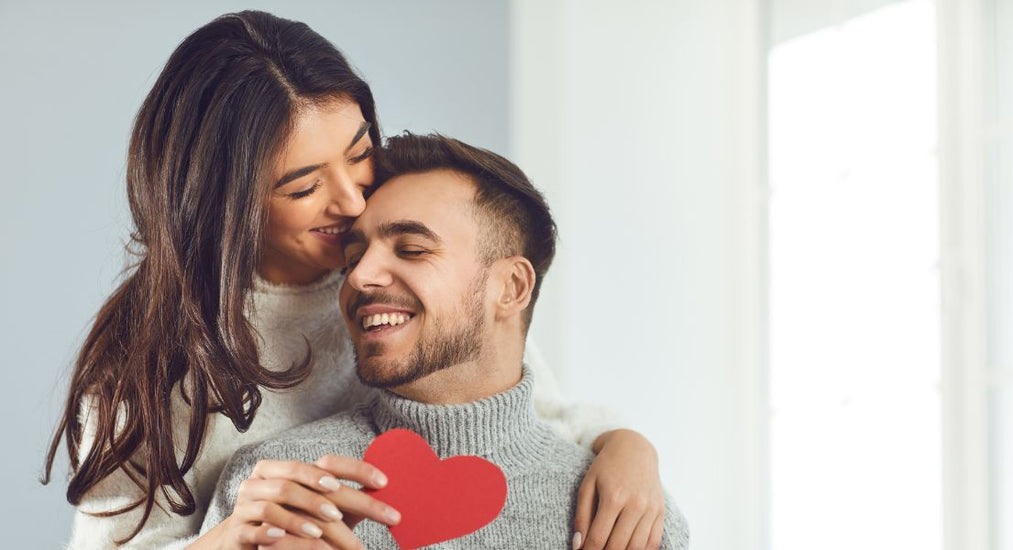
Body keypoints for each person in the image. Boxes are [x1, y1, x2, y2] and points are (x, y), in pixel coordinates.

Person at [44, 11, 665, 549]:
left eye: (361, 150)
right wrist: (225, 538)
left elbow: (529, 413)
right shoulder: (151, 367)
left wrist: (627, 447)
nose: (352, 199)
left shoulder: (414, 287)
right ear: (225, 204)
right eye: (304, 186)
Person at [201, 133, 690, 549]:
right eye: (353, 259)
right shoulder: (276, 490)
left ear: (512, 288)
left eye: (411, 249)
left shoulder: (627, 515)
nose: (359, 277)